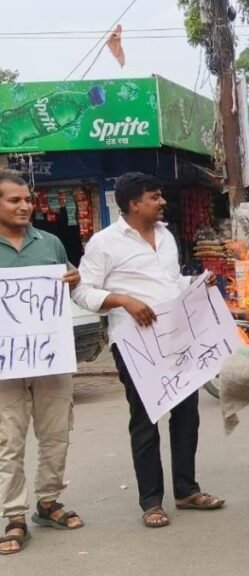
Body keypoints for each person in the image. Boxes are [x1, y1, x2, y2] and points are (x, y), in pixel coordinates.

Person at [74, 172, 225, 528]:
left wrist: (196, 283)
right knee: (146, 421)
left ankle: (187, 491)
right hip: (135, 345)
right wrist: (124, 300)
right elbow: (82, 291)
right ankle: (151, 502)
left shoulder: (166, 235)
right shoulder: (104, 242)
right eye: (154, 197)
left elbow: (169, 284)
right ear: (133, 204)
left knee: (188, 415)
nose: (162, 202)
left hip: (176, 339)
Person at [0, 172, 85, 555]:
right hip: (4, 367)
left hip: (50, 359)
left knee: (55, 436)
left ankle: (48, 502)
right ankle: (14, 515)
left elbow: (71, 282)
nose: (24, 206)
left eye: (27, 199)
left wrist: (74, 277)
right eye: (14, 200)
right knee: (8, 442)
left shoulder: (49, 243)